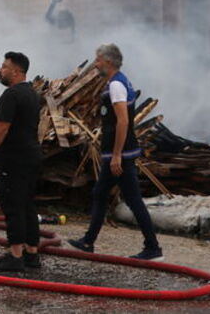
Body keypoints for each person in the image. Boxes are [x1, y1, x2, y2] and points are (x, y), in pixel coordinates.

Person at [68, 43, 163, 261]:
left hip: (120, 154)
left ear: (108, 62)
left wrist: (117, 155)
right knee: (100, 194)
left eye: (98, 59)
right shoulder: (117, 82)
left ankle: (153, 247)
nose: (96, 63)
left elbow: (123, 121)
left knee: (132, 200)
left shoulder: (117, 86)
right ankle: (88, 241)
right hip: (117, 152)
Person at [0, 51, 41, 272]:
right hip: (31, 157)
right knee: (28, 205)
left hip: (15, 159)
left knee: (13, 205)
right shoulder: (32, 94)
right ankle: (32, 254)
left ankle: (14, 257)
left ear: (16, 71)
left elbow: (2, 127)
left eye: (3, 67)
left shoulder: (11, 95)